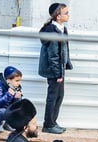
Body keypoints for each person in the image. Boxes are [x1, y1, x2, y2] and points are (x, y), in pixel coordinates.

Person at [38, 4, 71, 134]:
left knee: (59, 96)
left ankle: (52, 122)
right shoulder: (52, 30)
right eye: (66, 13)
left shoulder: (62, 28)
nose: (68, 15)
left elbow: (63, 49)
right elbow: (53, 55)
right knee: (53, 97)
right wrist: (58, 73)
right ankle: (48, 125)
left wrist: (65, 65)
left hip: (60, 68)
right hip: (54, 70)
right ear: (58, 16)